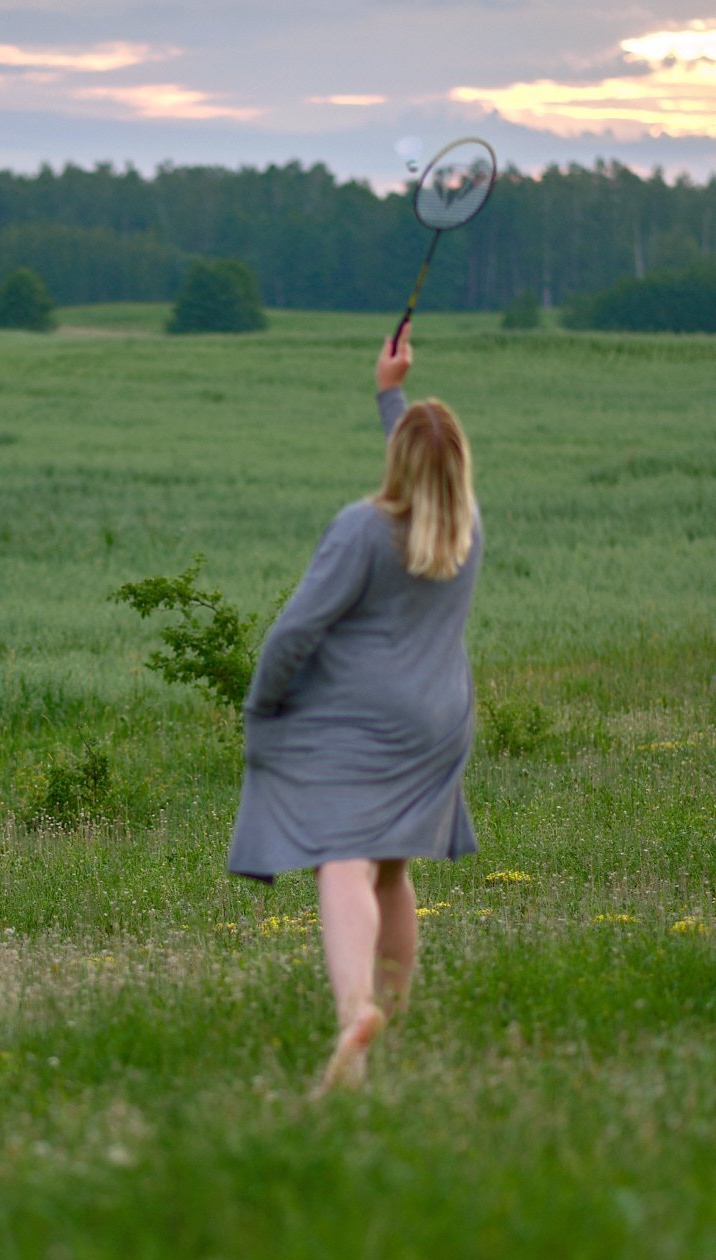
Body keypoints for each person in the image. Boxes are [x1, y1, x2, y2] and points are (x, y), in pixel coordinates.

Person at [227, 335, 482, 1094]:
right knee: (393, 864)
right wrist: (389, 395)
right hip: (440, 724)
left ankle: (353, 1013)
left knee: (343, 858)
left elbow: (295, 630)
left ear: (398, 463)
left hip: (357, 723)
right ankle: (390, 1018)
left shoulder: (364, 527)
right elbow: (427, 470)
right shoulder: (465, 530)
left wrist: (261, 705)